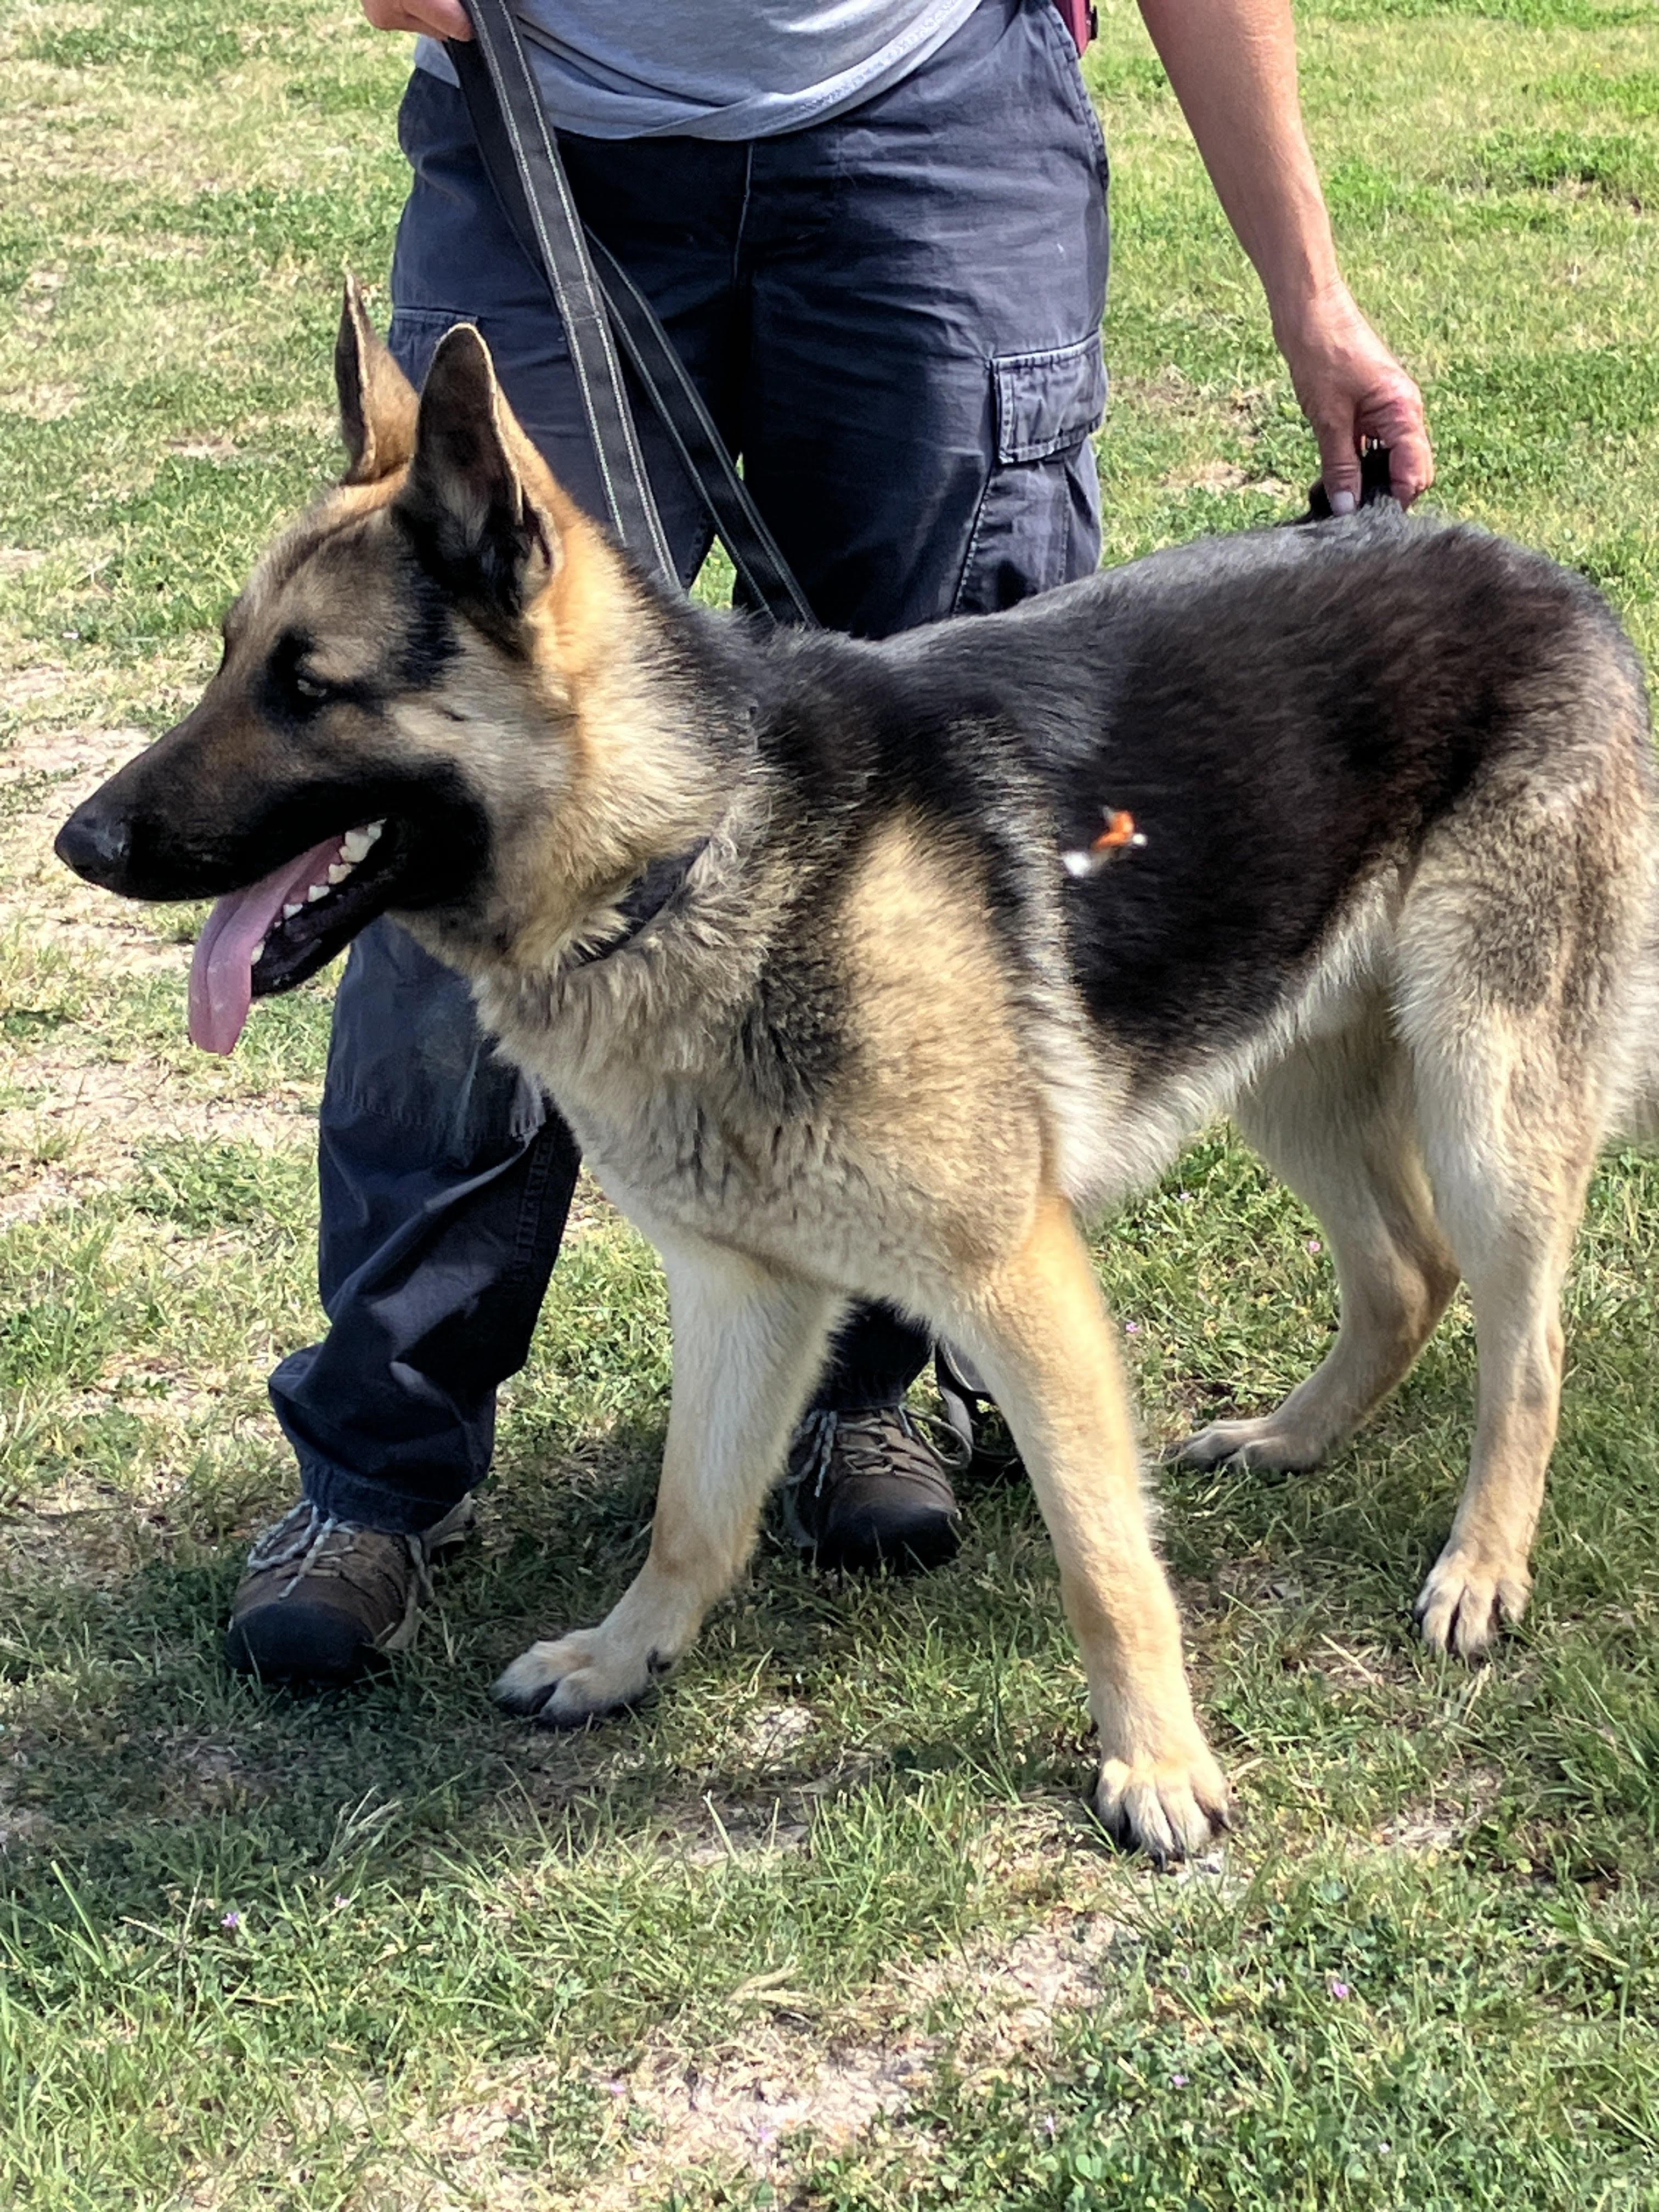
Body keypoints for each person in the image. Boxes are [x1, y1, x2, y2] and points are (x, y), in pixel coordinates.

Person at [226, 0, 1434, 1681]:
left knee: (944, 852)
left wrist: (1309, 285)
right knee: (448, 822)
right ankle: (383, 1460)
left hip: (927, 125)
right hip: (546, 114)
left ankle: (863, 1395)